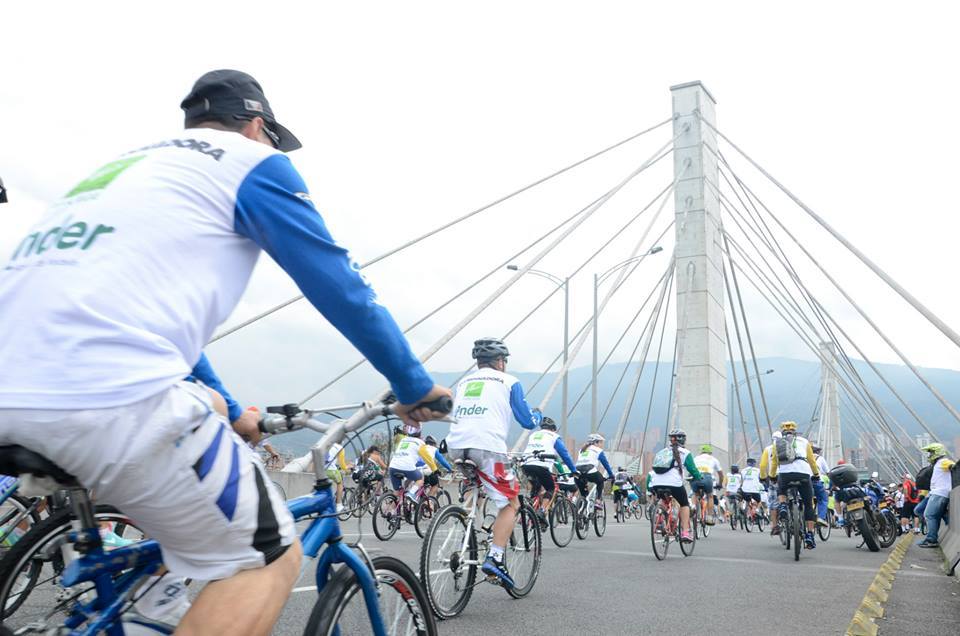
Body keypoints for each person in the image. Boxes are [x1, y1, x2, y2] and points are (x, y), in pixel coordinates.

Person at [0, 69, 451, 635]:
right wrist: (413, 384)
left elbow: (164, 337)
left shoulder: (129, 170)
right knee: (265, 557)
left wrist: (234, 411)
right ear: (258, 125)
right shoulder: (252, 163)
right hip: (103, 396)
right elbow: (341, 286)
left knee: (192, 482)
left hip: (18, 386)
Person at [445, 337, 541, 588]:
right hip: (487, 448)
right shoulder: (509, 381)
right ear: (500, 362)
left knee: (479, 483)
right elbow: (527, 421)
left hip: (456, 446)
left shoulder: (464, 382)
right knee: (512, 502)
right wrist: (538, 415)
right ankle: (495, 558)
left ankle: (469, 524)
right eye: (504, 361)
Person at [769, 421, 821, 549]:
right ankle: (809, 535)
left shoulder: (777, 443)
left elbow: (775, 462)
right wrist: (816, 474)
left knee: (781, 489)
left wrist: (772, 475)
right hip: (803, 474)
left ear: (782, 432)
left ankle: (782, 506)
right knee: (808, 504)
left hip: (785, 475)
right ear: (795, 431)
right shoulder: (804, 442)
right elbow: (812, 461)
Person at [648, 429, 702, 542]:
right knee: (684, 504)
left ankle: (659, 519)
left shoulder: (662, 451)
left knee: (664, 499)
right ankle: (685, 532)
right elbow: (693, 470)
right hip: (673, 484)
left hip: (656, 482)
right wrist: (698, 477)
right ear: (683, 440)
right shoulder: (685, 452)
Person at [521, 416, 578, 523]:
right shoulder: (554, 436)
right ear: (553, 429)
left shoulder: (533, 434)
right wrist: (573, 469)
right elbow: (564, 454)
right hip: (541, 466)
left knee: (536, 489)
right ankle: (542, 511)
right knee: (550, 488)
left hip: (526, 465)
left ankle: (528, 512)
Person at [917, 443, 955, 548]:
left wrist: (952, 467)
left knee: (929, 515)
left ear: (937, 452)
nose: (929, 455)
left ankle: (931, 539)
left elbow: (953, 465)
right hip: (936, 493)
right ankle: (932, 536)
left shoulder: (943, 461)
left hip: (940, 493)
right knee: (923, 511)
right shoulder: (938, 463)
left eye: (931, 452)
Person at [388, 427, 438, 506]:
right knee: (420, 478)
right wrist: (435, 469)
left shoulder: (403, 440)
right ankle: (411, 494)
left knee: (397, 492)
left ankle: (391, 511)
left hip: (393, 466)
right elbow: (427, 458)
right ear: (420, 434)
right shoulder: (420, 443)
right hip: (406, 467)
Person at [575, 433, 616, 503]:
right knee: (600, 481)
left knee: (584, 495)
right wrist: (611, 475)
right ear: (596, 442)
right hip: (590, 471)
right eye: (601, 443)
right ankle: (598, 500)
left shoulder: (581, 450)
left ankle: (581, 507)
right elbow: (605, 464)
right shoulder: (598, 450)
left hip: (577, 472)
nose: (602, 445)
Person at [692, 444, 724, 525]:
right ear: (710, 452)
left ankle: (693, 507)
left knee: (695, 494)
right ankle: (709, 517)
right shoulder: (714, 459)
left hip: (695, 476)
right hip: (707, 477)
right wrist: (720, 484)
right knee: (710, 496)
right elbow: (721, 474)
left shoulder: (695, 458)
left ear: (701, 452)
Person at [759, 431, 782, 534]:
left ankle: (774, 525)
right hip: (787, 476)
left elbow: (763, 465)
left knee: (773, 503)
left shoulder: (768, 449)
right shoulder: (788, 447)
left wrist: (763, 478)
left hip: (774, 478)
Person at [422, 435, 453, 500]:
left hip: (417, 470)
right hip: (428, 470)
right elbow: (443, 461)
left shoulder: (421, 447)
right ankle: (429, 502)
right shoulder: (434, 449)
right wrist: (450, 469)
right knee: (435, 485)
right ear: (434, 443)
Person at [811, 444, 830, 527]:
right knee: (823, 499)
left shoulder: (804, 458)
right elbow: (828, 472)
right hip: (817, 482)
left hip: (805, 482)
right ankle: (821, 518)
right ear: (818, 451)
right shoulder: (820, 458)